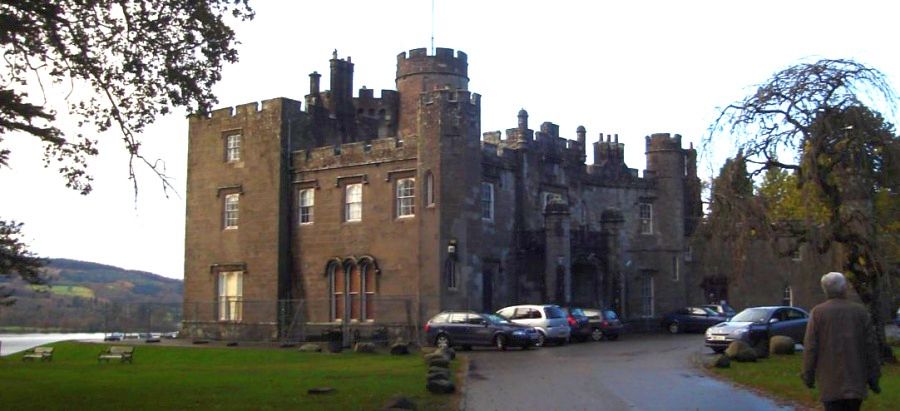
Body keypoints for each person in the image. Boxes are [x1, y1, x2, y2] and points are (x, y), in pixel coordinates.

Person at [802, 272, 881, 411]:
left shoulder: (818, 313)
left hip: (830, 381)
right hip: (855, 379)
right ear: (844, 288)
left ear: (825, 290)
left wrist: (808, 375)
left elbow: (811, 347)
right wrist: (873, 377)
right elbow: (871, 347)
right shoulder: (860, 312)